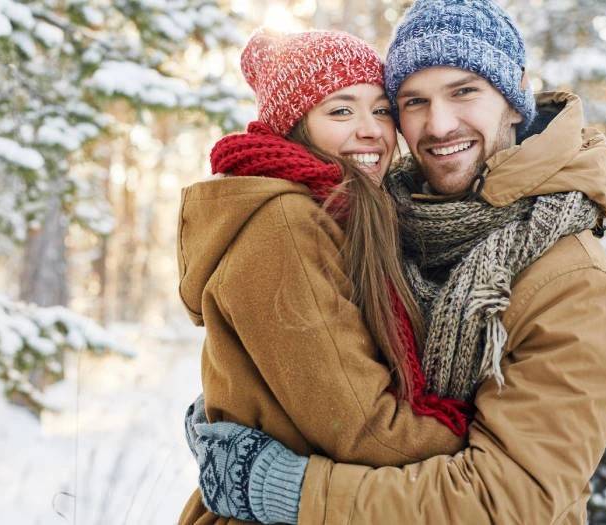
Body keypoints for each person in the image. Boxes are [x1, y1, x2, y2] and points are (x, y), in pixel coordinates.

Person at [188, 0, 606, 523]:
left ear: (514, 101)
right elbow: (317, 362)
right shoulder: (384, 221)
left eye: (464, 91)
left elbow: (505, 501)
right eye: (413, 101)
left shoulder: (576, 286)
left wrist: (285, 486)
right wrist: (232, 406)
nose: (439, 124)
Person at [176, 28, 475, 525]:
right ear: (295, 126)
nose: (371, 131)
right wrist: (494, 439)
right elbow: (366, 429)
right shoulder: (286, 225)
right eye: (341, 111)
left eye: (381, 110)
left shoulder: (348, 214)